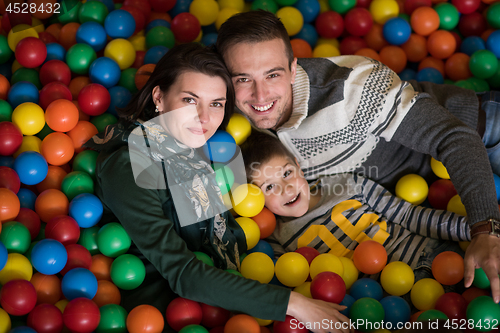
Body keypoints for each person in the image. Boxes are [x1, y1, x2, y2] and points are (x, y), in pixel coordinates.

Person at [216, 10, 500, 301]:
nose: (260, 95)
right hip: (414, 198)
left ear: (292, 67)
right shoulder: (227, 120)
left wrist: (485, 228)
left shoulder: (353, 89)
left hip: (481, 130)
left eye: (272, 75)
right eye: (242, 79)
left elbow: (453, 137)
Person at [84, 43, 353, 333]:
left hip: (227, 293)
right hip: (168, 314)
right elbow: (182, 272)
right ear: (159, 97)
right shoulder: (127, 164)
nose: (204, 117)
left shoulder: (194, 150)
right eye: (190, 100)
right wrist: (295, 304)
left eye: (216, 103)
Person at [240, 131, 469, 284]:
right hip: (382, 301)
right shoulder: (276, 238)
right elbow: (286, 284)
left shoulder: (346, 183)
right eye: (269, 187)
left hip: (431, 253)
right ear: (254, 198)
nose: (286, 188)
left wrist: (473, 229)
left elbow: (408, 215)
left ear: (299, 166)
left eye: (287, 173)